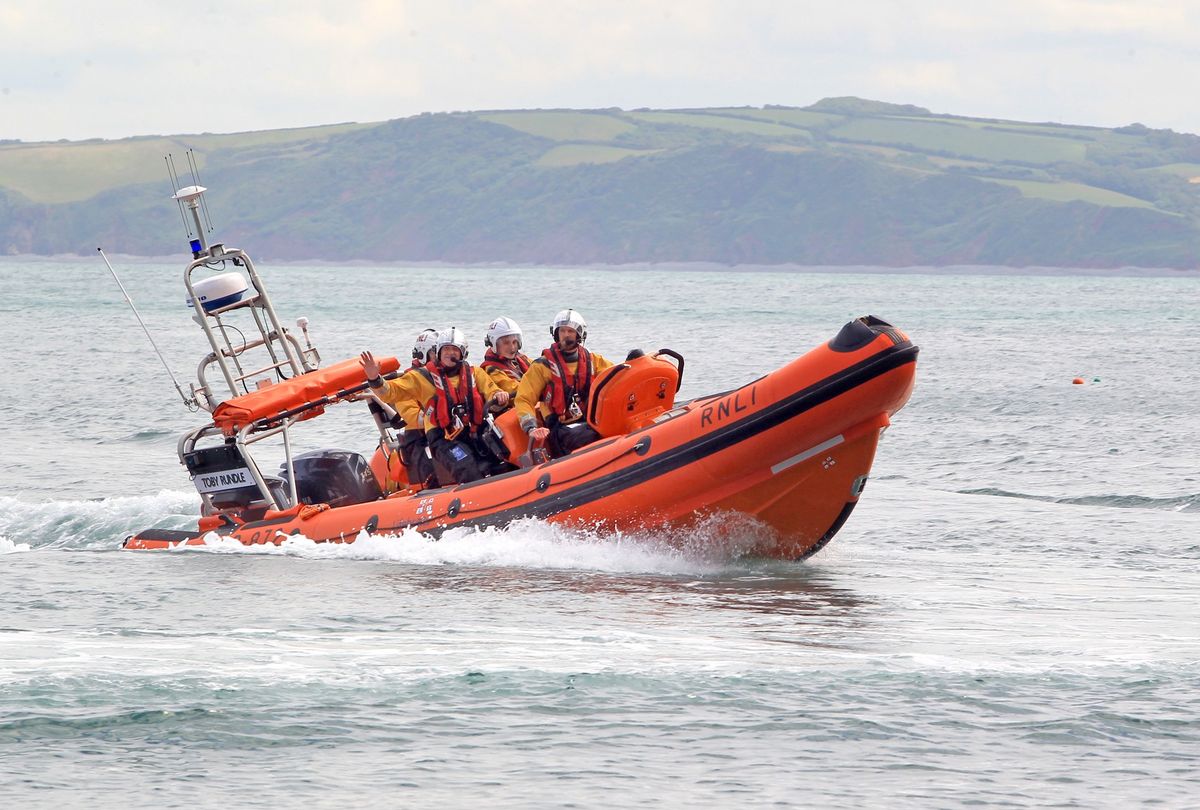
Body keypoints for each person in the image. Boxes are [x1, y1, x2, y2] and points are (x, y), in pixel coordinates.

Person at [515, 309, 614, 458]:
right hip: (560, 427)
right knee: (584, 435)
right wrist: (531, 427)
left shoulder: (593, 360)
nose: (566, 335)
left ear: (579, 335)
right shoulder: (543, 366)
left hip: (589, 419)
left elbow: (615, 375)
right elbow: (524, 399)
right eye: (562, 331)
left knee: (607, 426)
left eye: (570, 331)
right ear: (556, 334)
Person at [360, 327, 439, 487]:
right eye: (435, 352)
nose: (440, 356)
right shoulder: (411, 381)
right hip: (421, 440)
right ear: (424, 354)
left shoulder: (445, 376)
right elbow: (413, 418)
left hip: (446, 433)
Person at [480, 316, 531, 396]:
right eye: (506, 343)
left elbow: (538, 368)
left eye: (514, 342)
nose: (512, 347)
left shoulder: (521, 359)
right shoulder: (492, 370)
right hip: (515, 404)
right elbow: (511, 388)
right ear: (494, 344)